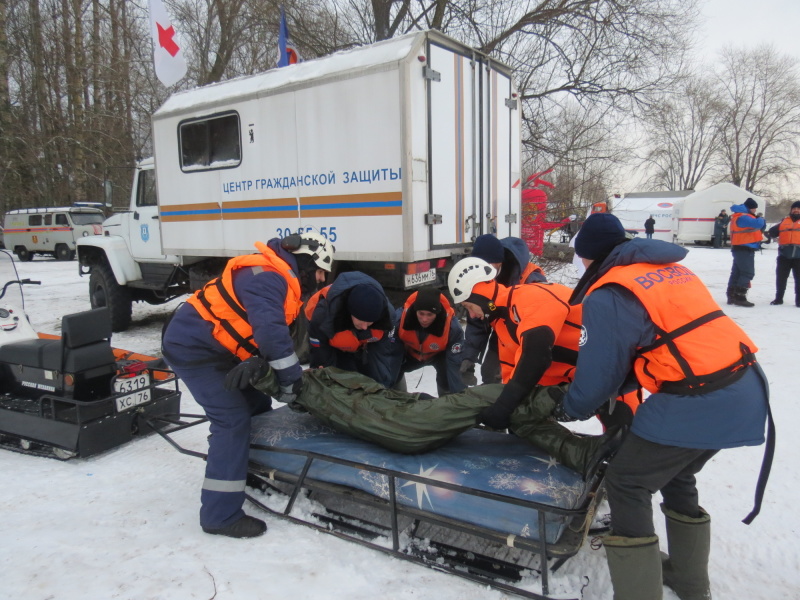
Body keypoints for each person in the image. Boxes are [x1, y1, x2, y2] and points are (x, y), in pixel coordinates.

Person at [551, 213, 770, 600]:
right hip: (744, 385)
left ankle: (639, 592)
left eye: (581, 257)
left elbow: (599, 373)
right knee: (676, 472)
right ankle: (687, 580)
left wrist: (569, 407)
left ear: (591, 256)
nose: (581, 264)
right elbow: (669, 342)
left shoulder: (611, 293)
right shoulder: (668, 271)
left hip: (700, 398)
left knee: (627, 481)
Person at [162, 232, 334, 539]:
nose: (321, 280)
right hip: (195, 350)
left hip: (221, 350)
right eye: (321, 271)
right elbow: (271, 334)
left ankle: (249, 471)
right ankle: (220, 514)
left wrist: (259, 364)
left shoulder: (281, 279)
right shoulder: (267, 276)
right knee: (231, 421)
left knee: (257, 406)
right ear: (307, 261)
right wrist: (291, 382)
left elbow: (267, 333)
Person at [447, 257, 622, 478]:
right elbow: (514, 375)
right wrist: (505, 411)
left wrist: (505, 406)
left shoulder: (528, 297)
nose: (471, 315)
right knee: (518, 413)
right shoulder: (501, 323)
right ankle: (582, 454)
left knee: (629, 451)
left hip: (616, 376)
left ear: (480, 292)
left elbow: (536, 355)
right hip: (579, 382)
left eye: (468, 306)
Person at [460, 234, 547, 386]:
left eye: (491, 269)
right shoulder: (478, 280)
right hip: (501, 331)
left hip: (524, 335)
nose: (487, 275)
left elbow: (539, 325)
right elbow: (477, 321)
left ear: (501, 262)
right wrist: (469, 357)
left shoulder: (531, 279)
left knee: (510, 377)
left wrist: (517, 360)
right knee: (489, 374)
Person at [306, 271, 401, 388]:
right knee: (338, 380)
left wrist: (383, 388)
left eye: (370, 322)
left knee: (380, 379)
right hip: (332, 340)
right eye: (361, 321)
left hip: (362, 344)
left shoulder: (387, 316)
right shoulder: (322, 316)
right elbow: (320, 357)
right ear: (351, 313)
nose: (365, 326)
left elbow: (382, 356)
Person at [392, 286, 466, 396]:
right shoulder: (398, 319)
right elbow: (387, 353)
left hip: (438, 355)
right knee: (392, 367)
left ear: (437, 313)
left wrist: (459, 395)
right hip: (410, 354)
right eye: (421, 313)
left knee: (448, 374)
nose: (424, 319)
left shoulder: (453, 327)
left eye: (430, 315)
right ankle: (396, 396)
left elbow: (455, 363)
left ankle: (447, 399)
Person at [726, 197, 765, 307]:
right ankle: (740, 296)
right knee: (747, 273)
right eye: (754, 209)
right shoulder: (743, 217)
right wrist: (761, 218)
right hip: (744, 248)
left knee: (737, 272)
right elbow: (759, 224)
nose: (755, 211)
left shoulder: (738, 216)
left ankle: (732, 295)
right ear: (750, 208)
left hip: (739, 248)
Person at [767, 201, 800, 306]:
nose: (796, 210)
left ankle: (798, 301)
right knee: (781, 278)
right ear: (791, 210)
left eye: (798, 209)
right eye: (794, 208)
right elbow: (772, 232)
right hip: (784, 255)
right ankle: (778, 298)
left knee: (798, 280)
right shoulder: (784, 222)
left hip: (798, 257)